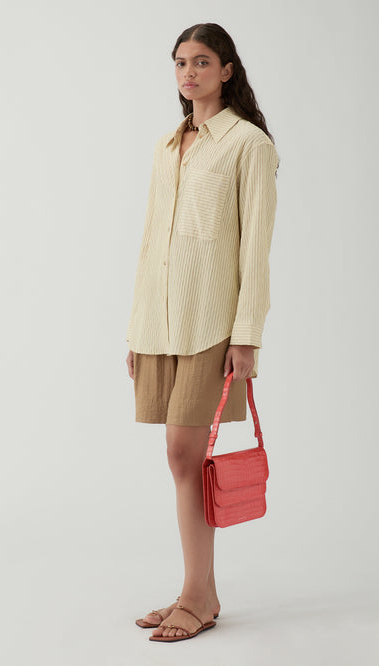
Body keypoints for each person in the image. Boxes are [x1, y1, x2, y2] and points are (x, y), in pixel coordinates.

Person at [125, 22, 279, 643]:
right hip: (159, 322)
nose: (189, 73)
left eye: (202, 62)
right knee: (180, 457)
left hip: (211, 324)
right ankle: (200, 591)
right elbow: (151, 241)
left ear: (227, 70)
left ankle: (198, 595)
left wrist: (247, 337)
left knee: (186, 456)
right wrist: (137, 330)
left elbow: (254, 250)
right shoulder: (169, 145)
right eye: (181, 63)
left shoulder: (248, 145)